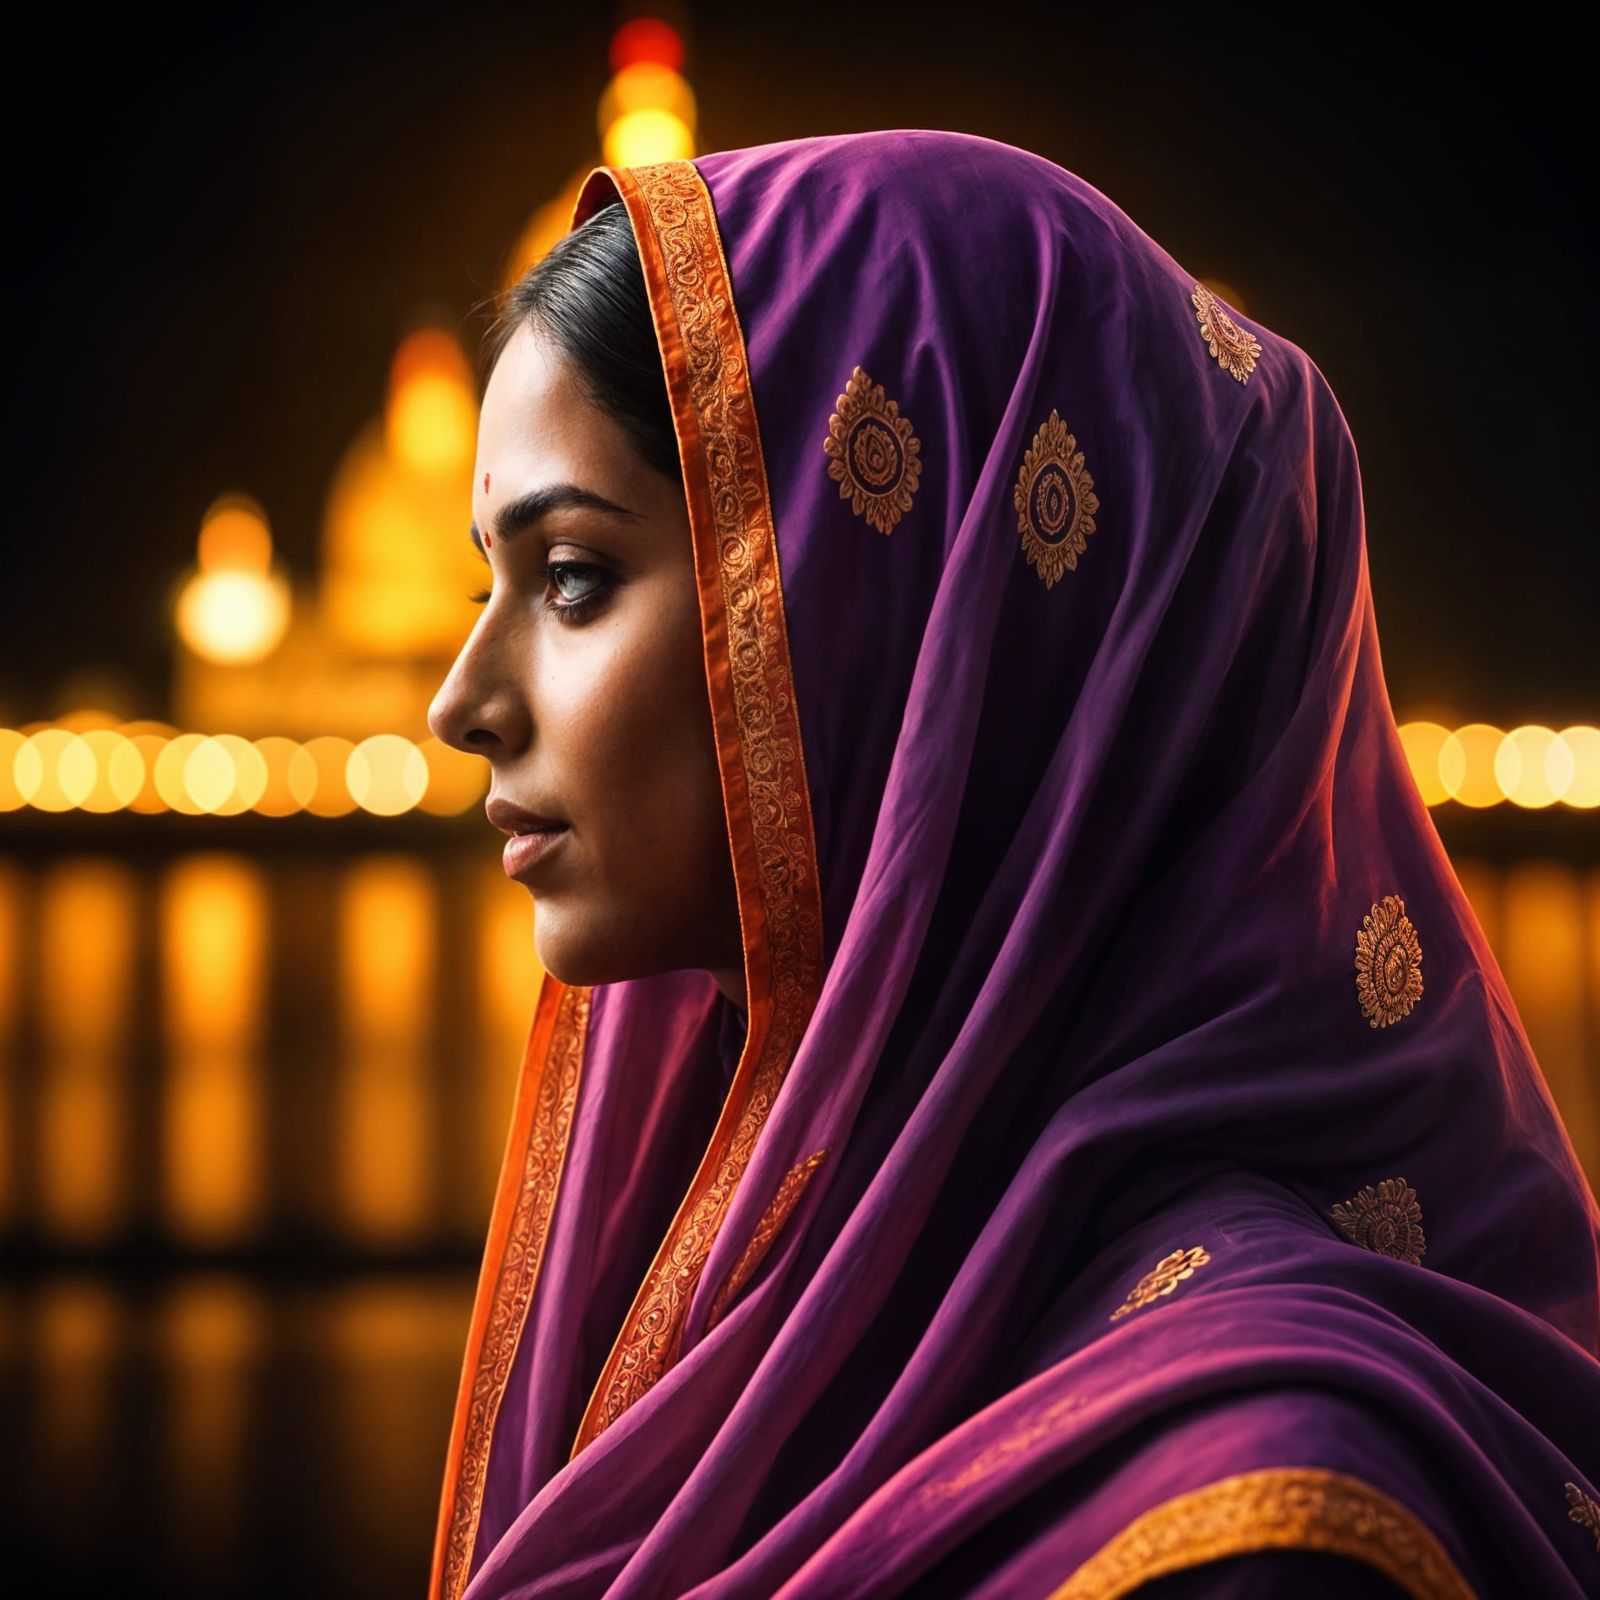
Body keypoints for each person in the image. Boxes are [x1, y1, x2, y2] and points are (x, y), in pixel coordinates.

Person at [423, 130, 1600, 1599]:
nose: (459, 700)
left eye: (573, 581)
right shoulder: (808, 1301)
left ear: (898, 618)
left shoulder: (1266, 1513)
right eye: (488, 580)